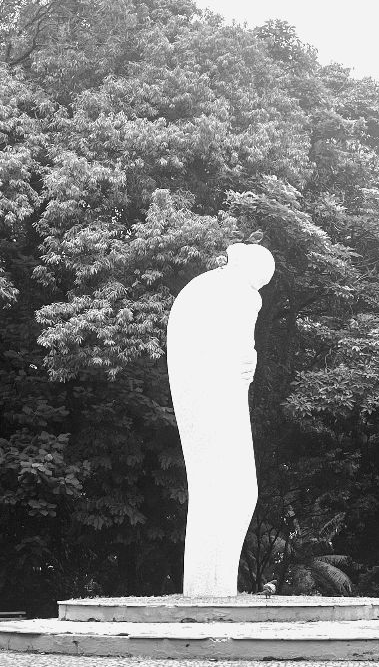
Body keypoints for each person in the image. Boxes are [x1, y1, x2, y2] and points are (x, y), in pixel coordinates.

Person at [168, 243, 275, 596]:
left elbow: (232, 350)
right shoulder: (235, 292)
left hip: (214, 394)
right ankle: (211, 589)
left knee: (228, 490)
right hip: (215, 395)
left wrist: (245, 361)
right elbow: (232, 349)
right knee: (234, 490)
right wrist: (242, 361)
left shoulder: (208, 287)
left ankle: (212, 586)